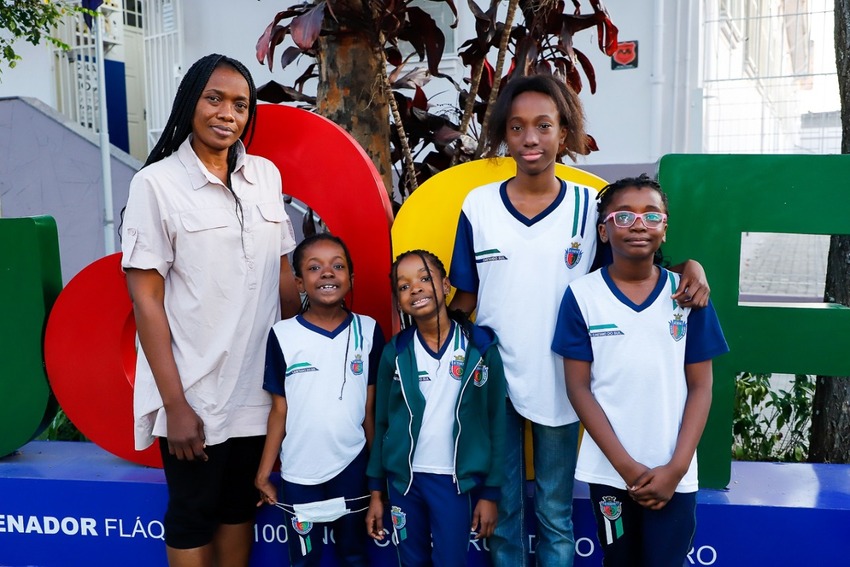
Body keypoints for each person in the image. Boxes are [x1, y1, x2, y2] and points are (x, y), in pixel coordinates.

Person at [448, 74, 710, 567]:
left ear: (563, 133)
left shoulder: (590, 206)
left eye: (544, 125)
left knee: (554, 511)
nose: (530, 138)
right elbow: (465, 298)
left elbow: (641, 267)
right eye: (517, 127)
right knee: (505, 514)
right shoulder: (479, 206)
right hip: (495, 379)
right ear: (504, 134)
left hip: (567, 381)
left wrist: (691, 268)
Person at [121, 54, 300, 567]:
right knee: (192, 514)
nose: (227, 113)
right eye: (214, 99)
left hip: (257, 390)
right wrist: (174, 404)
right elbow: (146, 301)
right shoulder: (155, 184)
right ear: (190, 102)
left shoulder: (265, 175)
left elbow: (282, 277)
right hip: (195, 393)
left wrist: (297, 370)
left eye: (240, 105)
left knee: (238, 508)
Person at [552, 175, 729, 566]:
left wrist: (676, 468)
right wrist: (627, 468)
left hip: (674, 474)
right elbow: (578, 388)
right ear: (603, 230)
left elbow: (701, 387)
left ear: (665, 229)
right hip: (611, 474)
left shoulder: (687, 297)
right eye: (624, 216)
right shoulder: (582, 296)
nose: (638, 224)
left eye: (651, 215)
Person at [365, 250, 506, 567]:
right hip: (404, 482)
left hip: (454, 482)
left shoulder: (480, 347)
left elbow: (497, 421)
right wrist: (376, 491)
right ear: (399, 300)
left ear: (445, 285)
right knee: (410, 562)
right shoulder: (395, 351)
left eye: (424, 278)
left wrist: (490, 493)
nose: (415, 288)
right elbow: (382, 422)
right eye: (404, 286)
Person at [255, 233, 383, 567]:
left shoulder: (369, 331)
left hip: (353, 467)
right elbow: (279, 409)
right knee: (304, 560)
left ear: (351, 278)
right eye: (314, 267)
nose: (327, 273)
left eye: (337, 266)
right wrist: (264, 473)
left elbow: (370, 410)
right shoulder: (283, 335)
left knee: (354, 556)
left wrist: (377, 477)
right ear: (299, 282)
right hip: (300, 473)